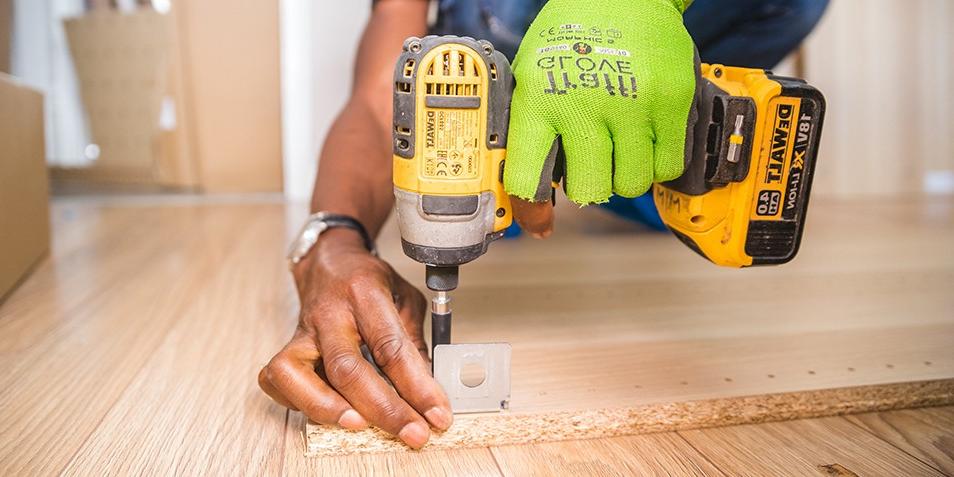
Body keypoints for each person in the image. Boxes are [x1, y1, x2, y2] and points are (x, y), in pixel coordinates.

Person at [259, 0, 829, 449]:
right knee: (501, 30)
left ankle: (644, 124)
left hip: (661, 79)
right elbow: (381, 96)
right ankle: (564, 148)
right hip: (512, 75)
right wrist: (333, 239)